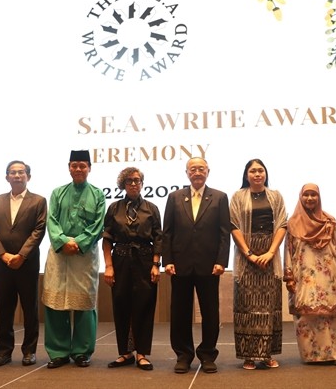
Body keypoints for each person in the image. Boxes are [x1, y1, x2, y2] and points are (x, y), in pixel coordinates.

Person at [162, 157, 231, 374]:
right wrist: (168, 260)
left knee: (210, 313)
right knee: (180, 313)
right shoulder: (174, 197)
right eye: (193, 169)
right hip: (180, 265)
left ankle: (208, 354)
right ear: (187, 173)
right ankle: (183, 355)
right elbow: (168, 233)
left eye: (201, 168)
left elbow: (224, 233)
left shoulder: (219, 197)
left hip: (209, 265)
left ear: (208, 171)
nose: (197, 172)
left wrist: (221, 261)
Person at [41, 150, 106, 369]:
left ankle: (81, 351)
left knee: (84, 304)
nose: (78, 169)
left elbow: (98, 225)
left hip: (84, 255)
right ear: (69, 167)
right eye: (74, 165)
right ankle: (58, 352)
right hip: (60, 255)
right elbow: (51, 221)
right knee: (55, 302)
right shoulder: (57, 193)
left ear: (89, 168)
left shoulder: (98, 194)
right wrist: (62, 241)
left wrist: (78, 243)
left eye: (83, 166)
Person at [284, 183, 336, 366]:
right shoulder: (292, 223)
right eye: (306, 195)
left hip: (330, 274)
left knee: (334, 312)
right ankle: (312, 354)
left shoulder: (329, 221)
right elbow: (289, 251)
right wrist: (289, 275)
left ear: (319, 197)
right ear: (301, 197)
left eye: (313, 195)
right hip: (304, 275)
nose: (309, 198)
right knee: (307, 313)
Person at [0, 160, 47, 367]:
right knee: (4, 309)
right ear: (7, 177)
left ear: (28, 176)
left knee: (30, 309)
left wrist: (21, 255)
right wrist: (3, 255)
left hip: (27, 264)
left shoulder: (38, 201)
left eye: (21, 172)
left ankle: (29, 351)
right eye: (13, 172)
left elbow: (39, 230)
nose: (17, 175)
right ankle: (3, 352)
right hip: (2, 265)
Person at [102, 167, 163, 371]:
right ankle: (125, 353)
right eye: (129, 181)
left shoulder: (152, 208)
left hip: (145, 260)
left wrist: (156, 264)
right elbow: (107, 239)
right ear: (123, 185)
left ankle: (142, 354)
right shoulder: (114, 208)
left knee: (144, 305)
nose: (134, 184)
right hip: (120, 260)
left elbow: (158, 238)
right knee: (121, 304)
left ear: (142, 183)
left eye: (137, 180)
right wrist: (108, 266)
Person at [230, 159, 287, 370]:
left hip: (270, 256)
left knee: (270, 307)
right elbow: (234, 225)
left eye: (260, 170)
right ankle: (248, 355)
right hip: (247, 258)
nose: (257, 174)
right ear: (246, 175)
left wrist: (271, 252)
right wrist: (249, 254)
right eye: (252, 171)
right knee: (246, 306)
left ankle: (267, 354)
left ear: (265, 173)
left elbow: (282, 224)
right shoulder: (238, 196)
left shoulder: (276, 196)